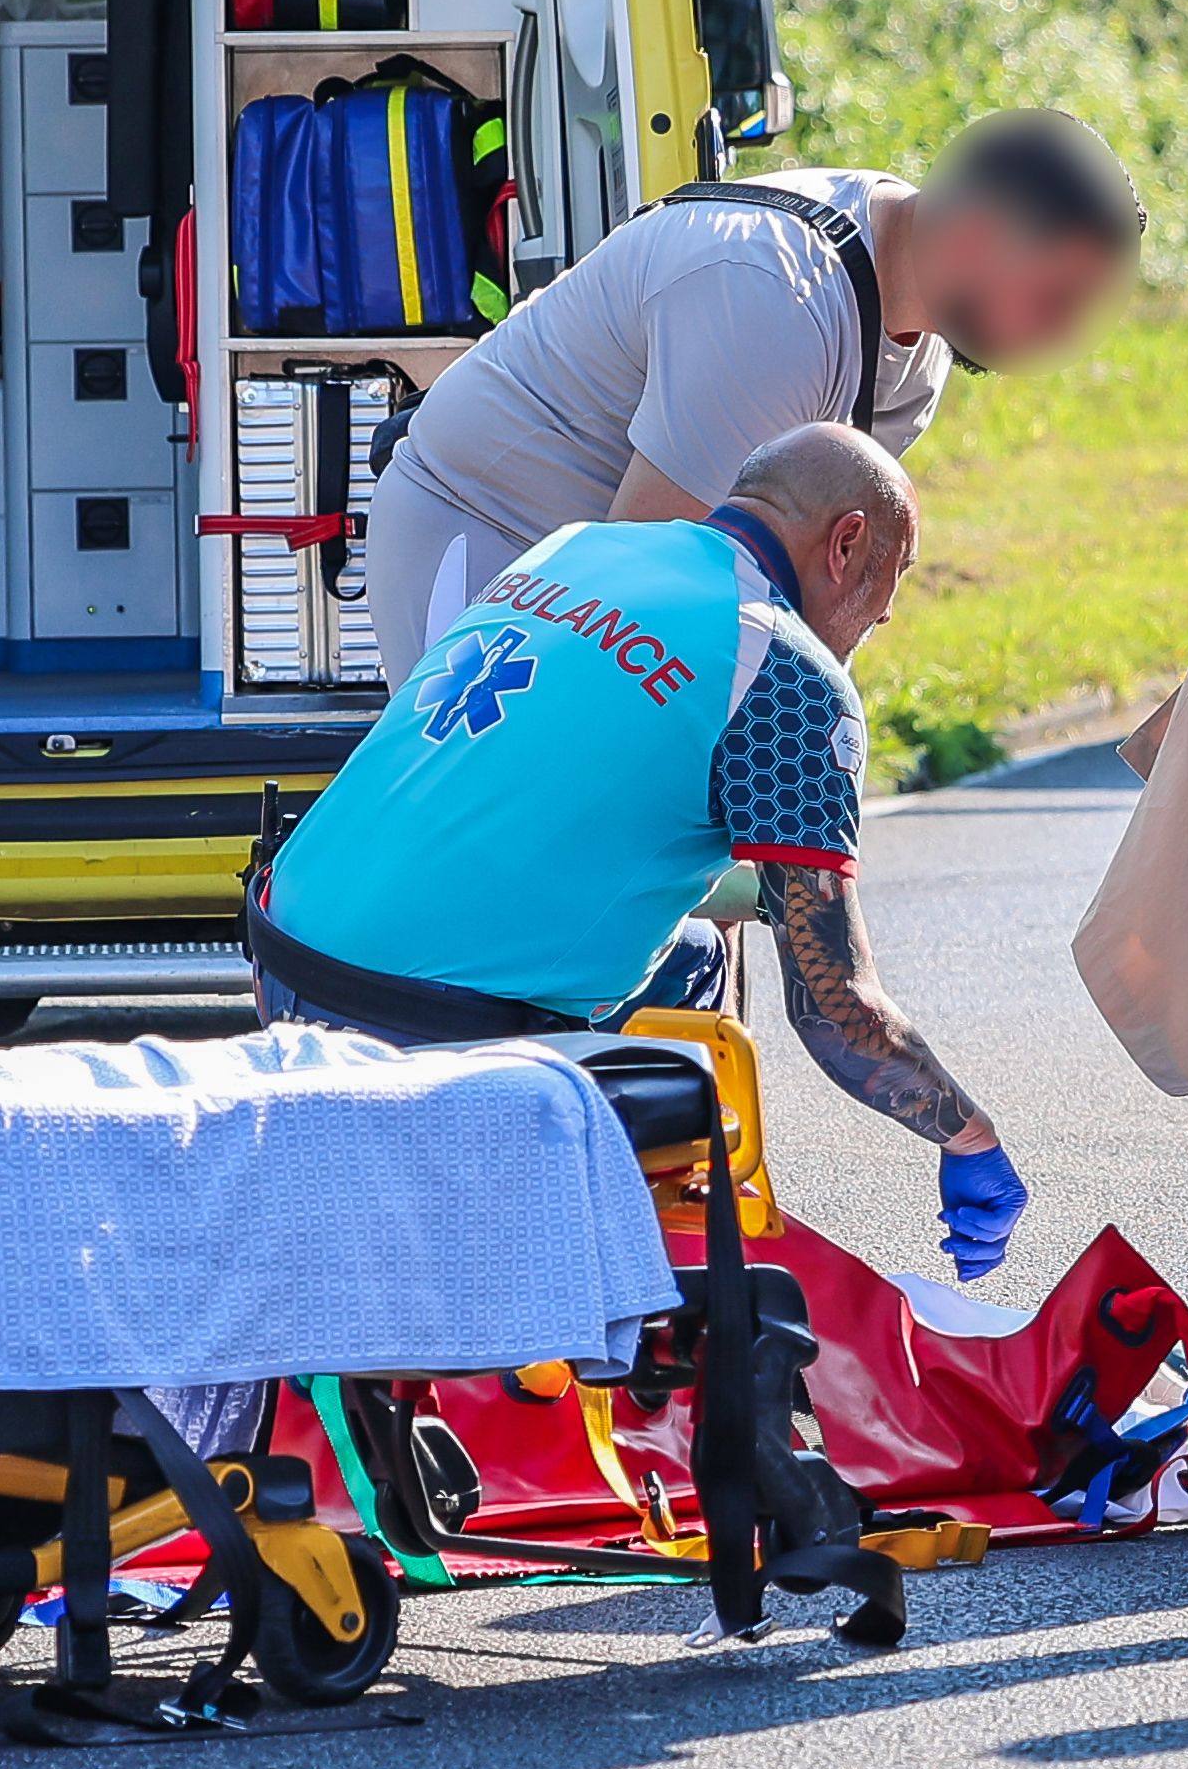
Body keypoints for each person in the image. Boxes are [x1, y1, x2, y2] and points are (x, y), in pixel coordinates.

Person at [249, 424, 1031, 1279]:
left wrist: (766, 891)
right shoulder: (785, 672)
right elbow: (837, 1010)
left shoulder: (581, 548)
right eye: (895, 574)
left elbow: (574, 795)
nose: (885, 611)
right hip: (423, 1023)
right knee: (696, 1010)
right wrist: (966, 1133)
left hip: (286, 950)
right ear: (846, 543)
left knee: (692, 953)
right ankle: (637, 1282)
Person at [362, 107, 1145, 647]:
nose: (1060, 332)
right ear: (973, 239)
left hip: (590, 569)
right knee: (514, 859)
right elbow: (642, 587)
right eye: (1054, 298)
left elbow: (813, 583)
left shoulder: (918, 342)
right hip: (486, 532)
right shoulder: (778, 301)